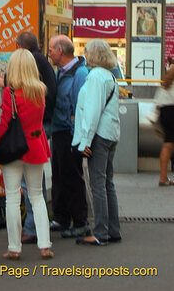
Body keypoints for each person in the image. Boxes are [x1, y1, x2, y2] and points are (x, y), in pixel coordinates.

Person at [0, 48, 54, 260]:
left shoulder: (10, 93)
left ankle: (14, 247)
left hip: (14, 149)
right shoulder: (40, 90)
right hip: (36, 146)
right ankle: (44, 245)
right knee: (37, 196)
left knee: (13, 198)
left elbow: (5, 124)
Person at [71, 39, 121, 246]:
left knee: (97, 183)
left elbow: (92, 112)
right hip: (111, 133)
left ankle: (100, 232)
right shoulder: (110, 76)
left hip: (98, 135)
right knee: (108, 182)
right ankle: (113, 229)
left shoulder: (94, 77)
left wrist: (85, 141)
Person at [14, 31, 57, 245]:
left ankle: (31, 228)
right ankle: (39, 228)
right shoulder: (42, 61)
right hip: (42, 126)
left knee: (28, 182)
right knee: (35, 180)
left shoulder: (32, 62)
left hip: (34, 128)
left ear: (20, 47)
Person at [48, 35, 89, 238]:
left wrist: (76, 137)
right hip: (59, 131)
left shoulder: (78, 74)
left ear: (60, 51)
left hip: (69, 133)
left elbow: (79, 106)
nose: (49, 54)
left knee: (72, 177)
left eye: (51, 50)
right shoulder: (61, 73)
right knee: (59, 175)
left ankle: (80, 221)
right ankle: (61, 217)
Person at [153, 66, 174, 186]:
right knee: (169, 145)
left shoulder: (165, 85)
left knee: (167, 145)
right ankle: (163, 177)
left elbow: (157, 104)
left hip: (165, 112)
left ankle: (163, 176)